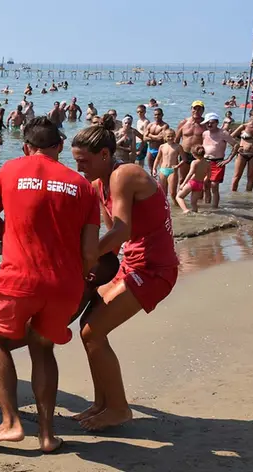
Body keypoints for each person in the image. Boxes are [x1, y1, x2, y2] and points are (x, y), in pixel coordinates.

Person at [0, 116, 100, 452]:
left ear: (26, 146)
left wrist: (12, 237)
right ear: (59, 146)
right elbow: (89, 251)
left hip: (19, 279)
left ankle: (11, 423)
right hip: (65, 284)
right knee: (42, 347)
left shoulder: (10, 170)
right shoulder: (84, 186)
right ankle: (46, 435)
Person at [70, 114, 179, 431]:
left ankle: (118, 409)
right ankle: (102, 403)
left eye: (84, 161)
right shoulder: (99, 184)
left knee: (93, 331)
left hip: (155, 269)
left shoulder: (125, 174)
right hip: (132, 265)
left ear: (105, 155)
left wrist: (83, 259)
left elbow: (119, 232)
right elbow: (109, 242)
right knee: (88, 327)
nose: (80, 168)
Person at [201, 112, 238, 208]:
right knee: (205, 185)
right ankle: (207, 206)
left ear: (217, 122)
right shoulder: (205, 133)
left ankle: (215, 209)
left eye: (211, 122)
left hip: (217, 163)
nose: (209, 125)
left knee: (214, 186)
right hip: (205, 162)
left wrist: (228, 159)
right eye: (207, 123)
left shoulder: (223, 133)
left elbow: (236, 145)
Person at [228, 109, 253, 202]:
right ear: (250, 115)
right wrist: (237, 146)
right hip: (242, 154)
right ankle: (232, 197)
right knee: (236, 176)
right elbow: (230, 137)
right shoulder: (243, 126)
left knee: (250, 177)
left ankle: (247, 198)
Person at [174, 100, 207, 184]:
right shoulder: (183, 122)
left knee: (199, 180)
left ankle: (198, 197)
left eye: (199, 109)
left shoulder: (206, 124)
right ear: (191, 109)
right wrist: (174, 154)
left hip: (199, 156)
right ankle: (180, 196)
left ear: (203, 110)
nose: (196, 111)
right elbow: (176, 140)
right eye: (194, 108)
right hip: (185, 154)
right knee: (182, 179)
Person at [152, 129, 182, 204]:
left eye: (172, 136)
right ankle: (165, 208)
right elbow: (158, 158)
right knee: (163, 193)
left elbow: (184, 159)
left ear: (174, 136)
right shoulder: (162, 146)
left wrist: (178, 166)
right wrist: (154, 169)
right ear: (165, 137)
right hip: (163, 170)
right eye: (168, 136)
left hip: (172, 170)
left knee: (172, 193)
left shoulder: (178, 147)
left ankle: (177, 207)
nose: (170, 138)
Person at [176, 145, 210, 213]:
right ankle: (194, 214)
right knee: (193, 203)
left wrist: (183, 184)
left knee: (179, 197)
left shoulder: (194, 162)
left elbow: (190, 173)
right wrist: (203, 183)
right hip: (200, 184)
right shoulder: (208, 163)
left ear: (193, 154)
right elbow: (209, 176)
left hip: (193, 182)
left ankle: (185, 210)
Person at [142, 108, 169, 172]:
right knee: (151, 170)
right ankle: (153, 181)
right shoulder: (150, 125)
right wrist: (155, 137)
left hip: (160, 150)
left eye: (158, 114)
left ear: (162, 115)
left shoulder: (165, 126)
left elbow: (160, 138)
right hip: (150, 149)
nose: (157, 116)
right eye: (155, 115)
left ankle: (161, 182)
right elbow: (144, 138)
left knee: (162, 170)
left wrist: (150, 135)